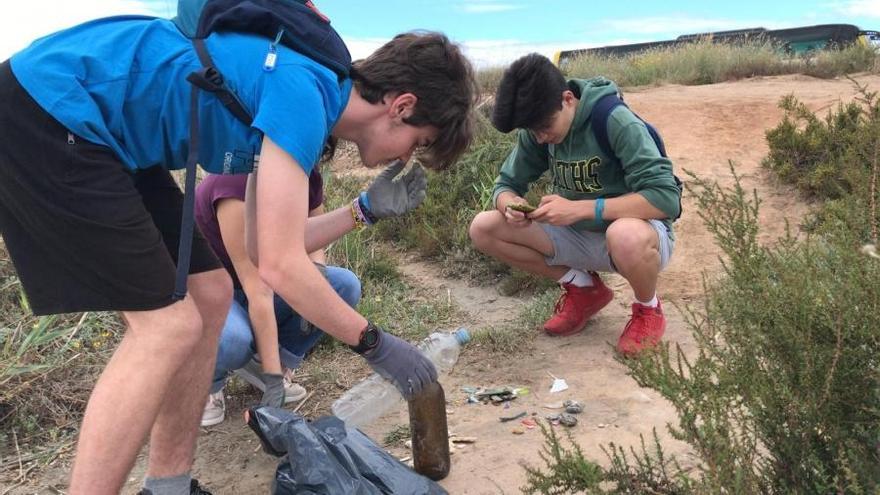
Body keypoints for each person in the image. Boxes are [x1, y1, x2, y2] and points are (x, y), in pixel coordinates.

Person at [0, 12, 477, 495]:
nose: (405, 158)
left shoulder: (310, 89)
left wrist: (365, 211)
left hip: (107, 131)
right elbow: (280, 264)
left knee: (210, 295)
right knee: (166, 326)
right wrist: (378, 346)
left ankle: (168, 487)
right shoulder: (303, 90)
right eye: (418, 142)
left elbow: (263, 246)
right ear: (401, 105)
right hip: (52, 105)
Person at [469, 53, 679, 356]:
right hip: (579, 237)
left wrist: (582, 209)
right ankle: (584, 289)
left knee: (624, 234)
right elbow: (505, 185)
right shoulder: (539, 133)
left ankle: (648, 308)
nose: (541, 138)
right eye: (533, 131)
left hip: (640, 237)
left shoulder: (613, 119)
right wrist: (509, 205)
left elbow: (665, 197)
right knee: (484, 227)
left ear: (568, 99)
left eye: (544, 126)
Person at [198, 160, 424, 425]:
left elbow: (315, 235)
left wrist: (315, 275)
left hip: (261, 284)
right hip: (213, 291)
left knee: (342, 286)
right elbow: (258, 290)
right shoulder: (235, 183)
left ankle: (267, 362)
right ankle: (207, 385)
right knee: (233, 339)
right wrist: (273, 385)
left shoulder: (304, 173)